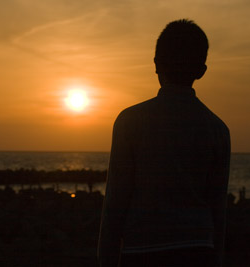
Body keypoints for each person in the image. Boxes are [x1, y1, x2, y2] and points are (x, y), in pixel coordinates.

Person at [98, 19, 230, 267]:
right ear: (202, 70)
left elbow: (115, 202)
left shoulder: (130, 122)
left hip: (142, 250)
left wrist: (106, 258)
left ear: (157, 65)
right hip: (199, 250)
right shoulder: (217, 129)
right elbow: (218, 206)